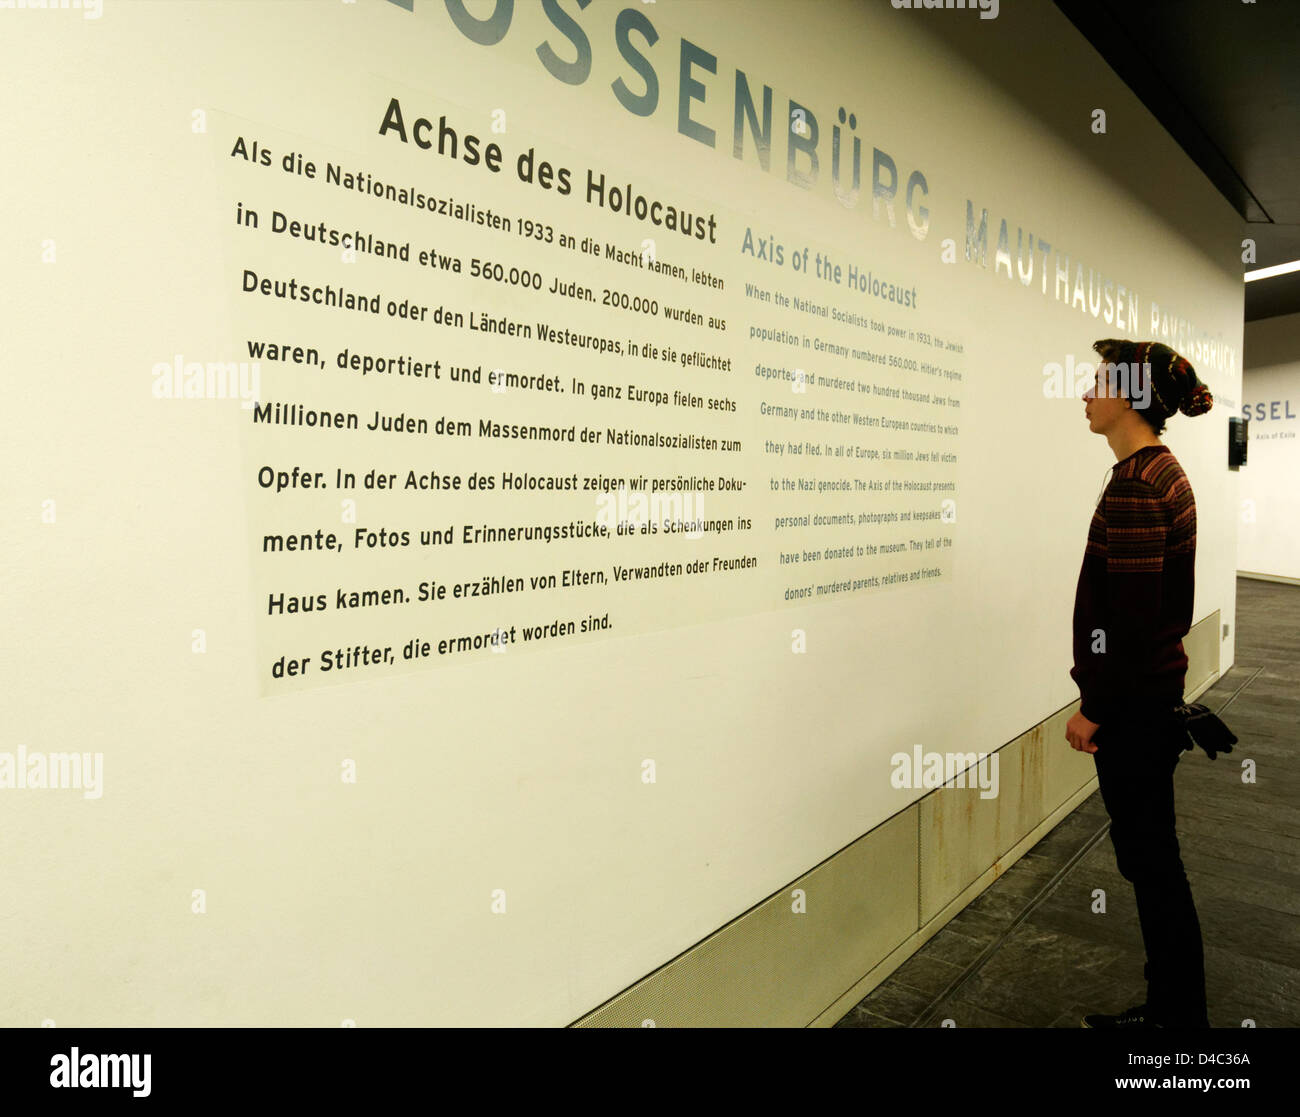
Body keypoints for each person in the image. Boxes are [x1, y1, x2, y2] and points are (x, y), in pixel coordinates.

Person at [1064, 338, 1215, 1029]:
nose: (1086, 395)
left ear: (1128, 395)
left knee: (1151, 864)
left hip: (1133, 710)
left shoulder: (1134, 486)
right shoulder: (1165, 471)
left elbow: (1126, 627)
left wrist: (1093, 710)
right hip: (1154, 700)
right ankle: (1175, 1007)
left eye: (1097, 383)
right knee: (1156, 860)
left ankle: (1176, 1018)